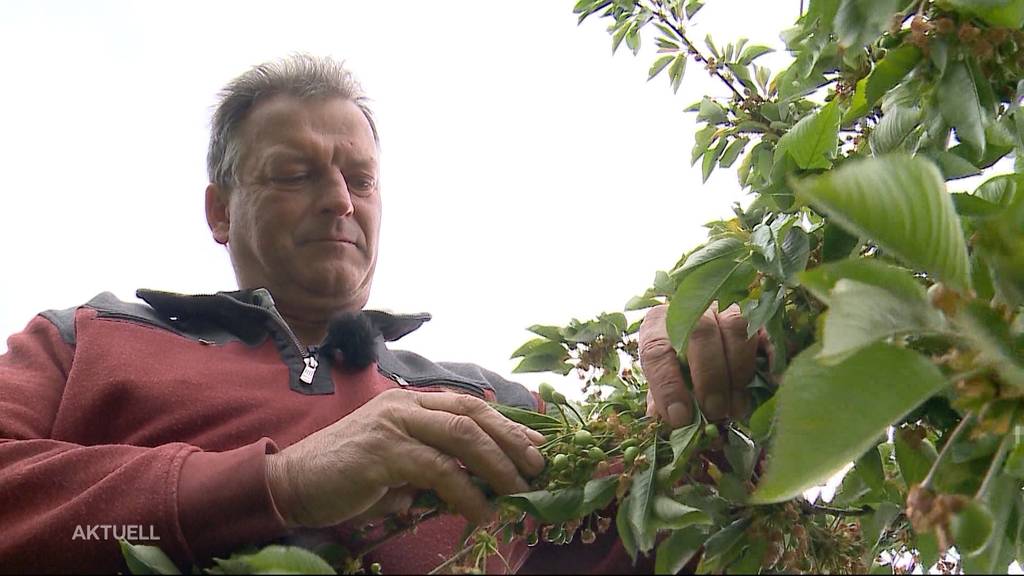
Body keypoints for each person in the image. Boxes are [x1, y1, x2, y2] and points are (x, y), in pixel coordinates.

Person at [0, 54, 760, 574]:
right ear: (220, 212)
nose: (338, 199)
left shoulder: (493, 409)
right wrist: (281, 484)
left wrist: (723, 404)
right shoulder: (83, 341)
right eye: (296, 174)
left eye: (359, 179)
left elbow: (682, 544)